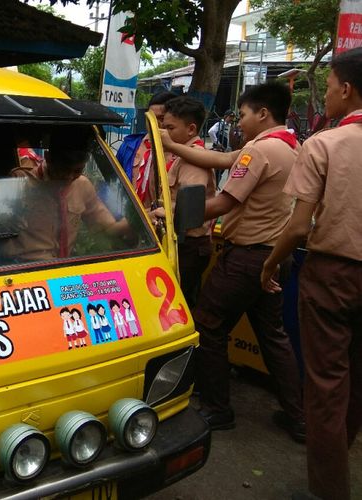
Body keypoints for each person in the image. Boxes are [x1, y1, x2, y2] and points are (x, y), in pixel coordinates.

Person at [160, 82, 305, 442]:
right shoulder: (291, 147)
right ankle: (299, 416)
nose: (237, 122)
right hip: (274, 255)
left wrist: (172, 209)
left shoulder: (258, 152)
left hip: (247, 257)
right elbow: (223, 159)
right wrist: (174, 145)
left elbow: (224, 203)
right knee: (273, 336)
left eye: (241, 115)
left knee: (208, 324)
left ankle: (216, 408)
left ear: (262, 113)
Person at [260, 47, 362, 500]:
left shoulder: (324, 144)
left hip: (333, 275)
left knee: (325, 385)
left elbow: (299, 227)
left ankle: (327, 489)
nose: (325, 96)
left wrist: (269, 262)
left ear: (346, 89)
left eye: (327, 87)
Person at [2, 145, 130, 262]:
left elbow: (107, 229)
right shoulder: (19, 182)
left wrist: (136, 220)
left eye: (77, 170)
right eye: (63, 169)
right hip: (22, 271)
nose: (69, 176)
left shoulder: (82, 185)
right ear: (48, 157)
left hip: (63, 273)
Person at [153, 96, 215, 308]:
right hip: (183, 243)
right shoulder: (181, 155)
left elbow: (189, 209)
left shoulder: (193, 159)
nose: (164, 133)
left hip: (189, 246)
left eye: (170, 128)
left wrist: (160, 212)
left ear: (191, 129)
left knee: (178, 305)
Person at [128, 92, 177, 207]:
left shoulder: (182, 153)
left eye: (160, 118)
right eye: (150, 118)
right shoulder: (130, 146)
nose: (154, 124)